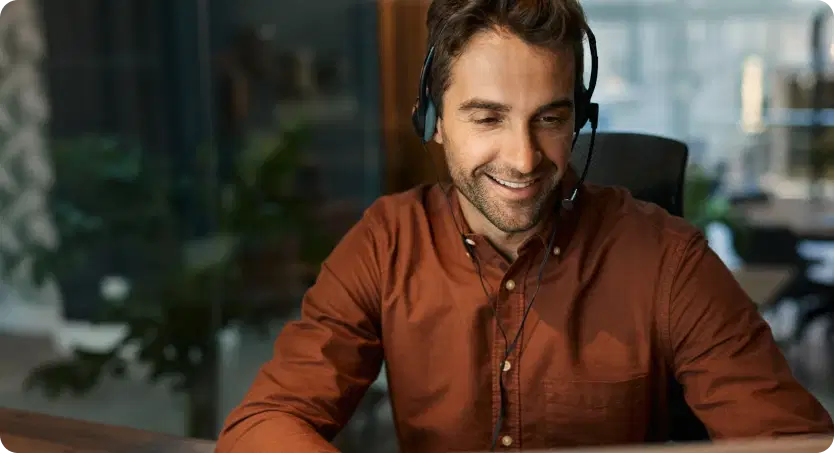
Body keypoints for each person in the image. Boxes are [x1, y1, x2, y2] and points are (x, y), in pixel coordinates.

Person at [216, 0, 834, 451]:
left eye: (549, 119)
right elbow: (263, 422)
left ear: (579, 120)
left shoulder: (665, 257)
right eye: (487, 118)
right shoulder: (386, 244)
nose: (522, 158)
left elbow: (791, 441)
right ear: (433, 121)